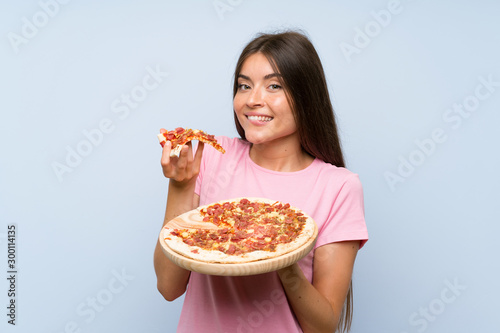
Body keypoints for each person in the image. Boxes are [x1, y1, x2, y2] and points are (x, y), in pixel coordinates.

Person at [153, 30, 368, 333]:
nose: (253, 100)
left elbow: (323, 326)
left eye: (274, 86)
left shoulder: (339, 187)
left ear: (306, 96)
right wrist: (181, 185)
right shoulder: (210, 157)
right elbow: (168, 286)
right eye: (244, 85)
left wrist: (282, 254)